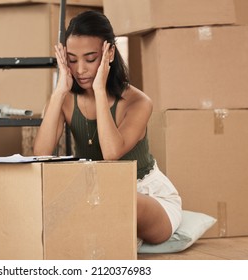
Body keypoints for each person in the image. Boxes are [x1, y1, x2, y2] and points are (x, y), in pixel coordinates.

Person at [33, 10, 182, 245]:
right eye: (72, 60)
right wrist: (60, 90)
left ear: (109, 53)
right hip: (94, 194)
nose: (80, 69)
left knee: (121, 200)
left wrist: (100, 90)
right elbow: (40, 154)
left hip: (145, 195)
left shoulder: (138, 102)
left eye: (90, 59)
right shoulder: (65, 100)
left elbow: (111, 154)